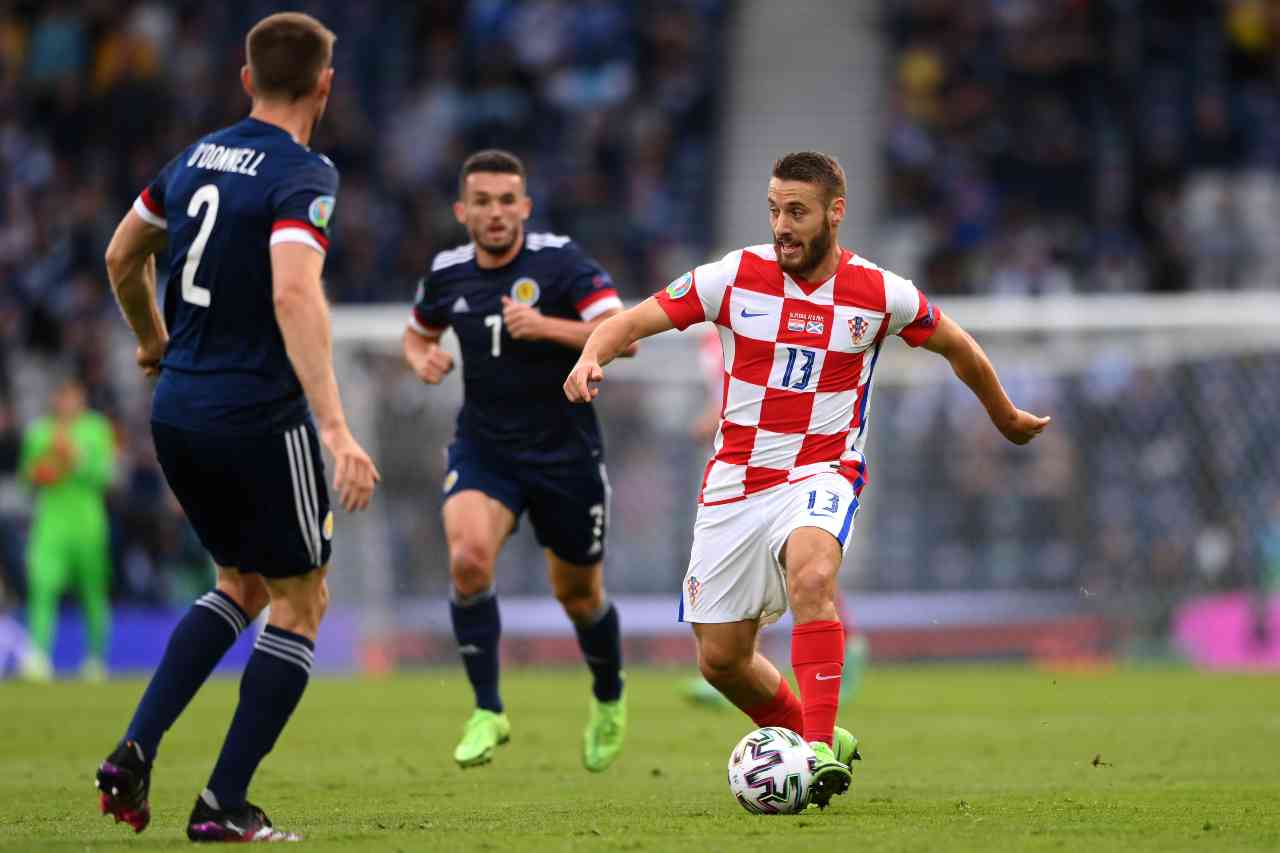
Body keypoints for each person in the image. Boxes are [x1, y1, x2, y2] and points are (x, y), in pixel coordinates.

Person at [566, 151, 1050, 809]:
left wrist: (1005, 415)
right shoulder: (733, 277)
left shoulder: (880, 293)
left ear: (834, 212)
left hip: (822, 470)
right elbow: (631, 320)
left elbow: (957, 346)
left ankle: (817, 750)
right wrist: (591, 356)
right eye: (774, 210)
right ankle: (814, 735)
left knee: (814, 579)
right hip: (736, 482)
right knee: (721, 660)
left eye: (797, 211)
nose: (782, 226)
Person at [95, 12, 379, 842]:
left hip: (177, 408)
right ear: (325, 85)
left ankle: (134, 750)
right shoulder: (304, 172)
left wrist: (152, 340)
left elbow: (120, 255)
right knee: (302, 598)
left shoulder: (194, 158)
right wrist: (336, 429)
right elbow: (293, 291)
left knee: (240, 583)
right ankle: (223, 803)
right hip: (256, 413)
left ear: (246, 78)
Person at [403, 149, 629, 772]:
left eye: (507, 200)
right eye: (483, 201)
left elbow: (624, 332)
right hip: (486, 451)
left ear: (525, 207)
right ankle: (487, 709)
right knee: (468, 561)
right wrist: (420, 356)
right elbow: (417, 331)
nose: (496, 212)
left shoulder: (563, 262)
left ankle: (609, 696)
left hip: (566, 455)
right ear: (462, 211)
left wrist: (547, 327)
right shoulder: (447, 273)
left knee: (579, 595)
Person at [18, 376, 116, 682]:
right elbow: (29, 477)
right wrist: (51, 464)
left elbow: (105, 476)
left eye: (72, 397)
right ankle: (38, 656)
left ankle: (95, 659)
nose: (67, 403)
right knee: (42, 586)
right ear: (55, 400)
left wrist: (75, 458)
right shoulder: (39, 432)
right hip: (50, 524)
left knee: (94, 593)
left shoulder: (97, 429)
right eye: (62, 397)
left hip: (89, 524)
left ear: (81, 399)